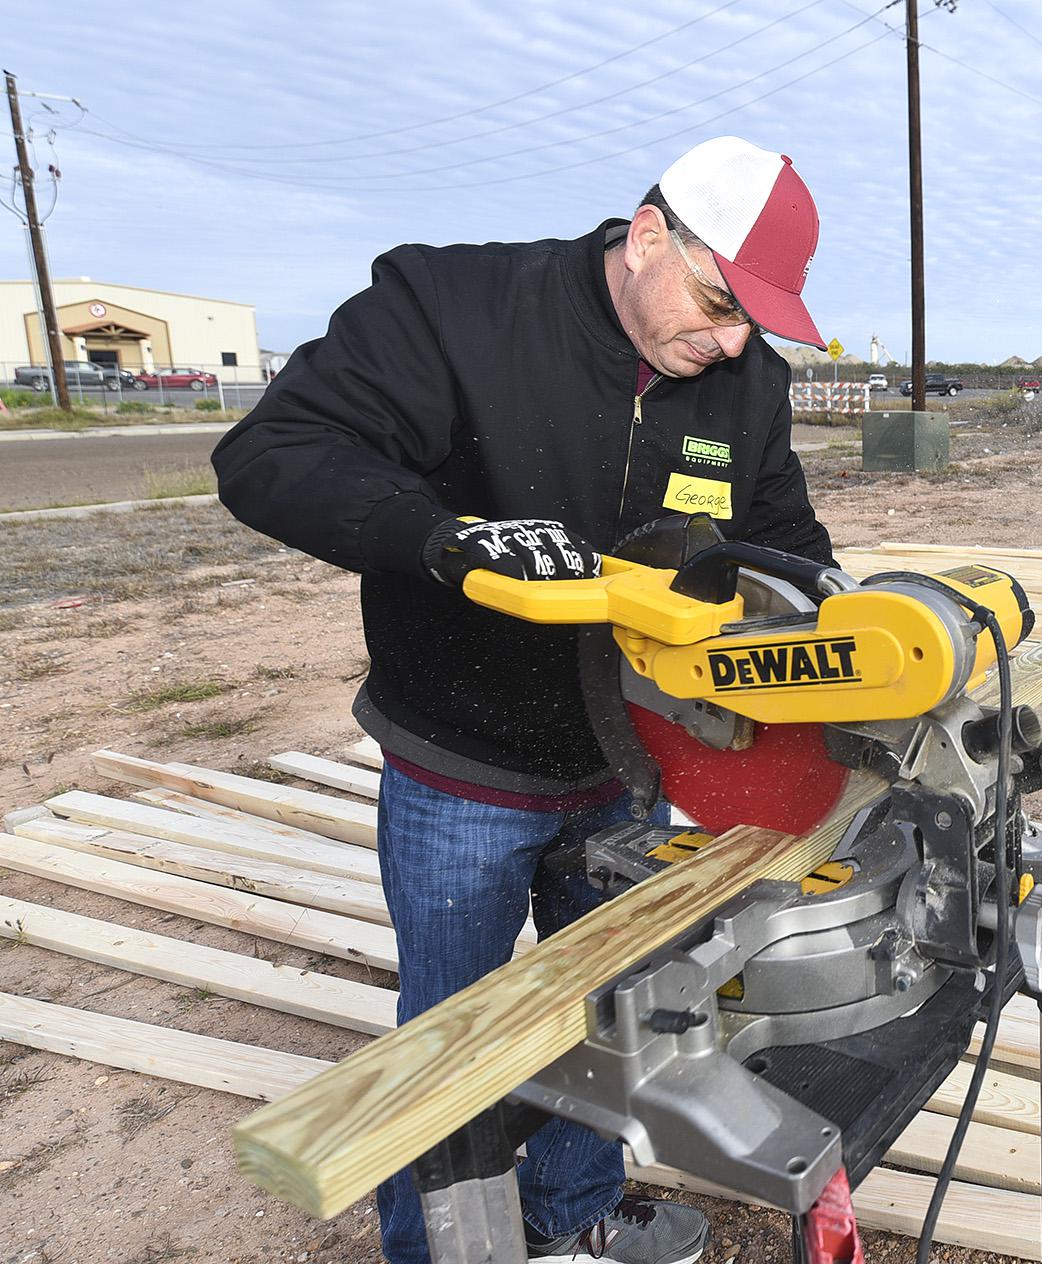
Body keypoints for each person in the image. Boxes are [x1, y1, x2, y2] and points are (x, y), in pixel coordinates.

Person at [213, 136, 837, 1264]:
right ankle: (434, 1249)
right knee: (453, 1035)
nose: (730, 341)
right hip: (466, 763)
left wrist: (832, 617)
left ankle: (569, 1212)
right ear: (648, 234)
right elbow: (274, 452)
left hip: (638, 759)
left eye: (751, 319)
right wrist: (443, 540)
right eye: (715, 303)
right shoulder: (451, 306)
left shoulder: (745, 383)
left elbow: (783, 541)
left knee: (613, 1008)